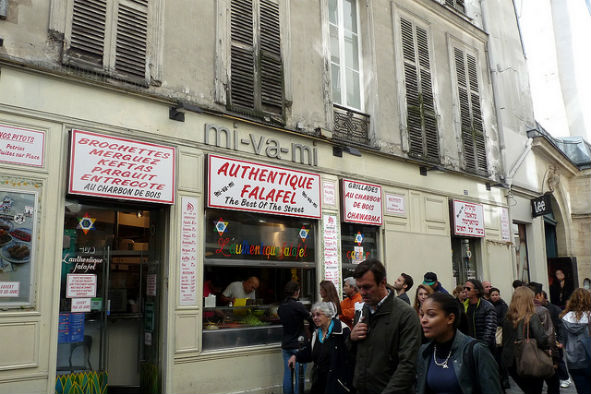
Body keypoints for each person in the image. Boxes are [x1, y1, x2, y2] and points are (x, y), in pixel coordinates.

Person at [348, 259, 421, 394]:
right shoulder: (363, 310)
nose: (362, 293)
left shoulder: (406, 315)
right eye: (359, 287)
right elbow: (355, 356)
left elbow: (408, 366)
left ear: (382, 282)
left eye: (367, 287)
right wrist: (351, 338)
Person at [416, 292, 502, 394]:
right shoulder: (425, 351)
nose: (423, 320)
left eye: (431, 314)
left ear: (450, 318)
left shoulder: (476, 350)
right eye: (422, 314)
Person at [288, 302, 354, 394]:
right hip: (320, 381)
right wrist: (296, 356)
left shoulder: (342, 331)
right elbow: (310, 352)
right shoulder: (316, 332)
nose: (315, 318)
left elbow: (351, 357)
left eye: (318, 315)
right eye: (313, 315)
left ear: (327, 315)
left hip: (337, 383)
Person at [502, 286, 552, 394]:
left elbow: (505, 341)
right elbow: (542, 339)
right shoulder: (531, 317)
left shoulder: (507, 318)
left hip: (511, 361)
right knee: (535, 390)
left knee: (527, 389)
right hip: (529, 358)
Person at [278, 281, 314, 394]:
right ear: (296, 292)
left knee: (288, 374)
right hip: (299, 344)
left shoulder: (281, 307)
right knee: (300, 375)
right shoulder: (298, 305)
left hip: (286, 344)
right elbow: (311, 319)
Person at [529, 282, 560, 394]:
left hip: (529, 354)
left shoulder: (521, 310)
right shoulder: (542, 310)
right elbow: (549, 335)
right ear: (539, 295)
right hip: (544, 354)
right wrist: (555, 358)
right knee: (553, 384)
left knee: (535, 387)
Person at [559, 288, 591, 394]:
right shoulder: (589, 317)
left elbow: (563, 341)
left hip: (573, 361)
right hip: (588, 358)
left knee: (582, 390)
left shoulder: (565, 318)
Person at [542, 290, 571, 389]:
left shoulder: (554, 309)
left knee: (558, 359)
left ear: (545, 298)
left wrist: (562, 341)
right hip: (546, 339)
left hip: (556, 339)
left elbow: (561, 326)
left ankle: (565, 378)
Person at [463, 279, 497, 350]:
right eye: (464, 288)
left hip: (484, 348)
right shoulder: (464, 306)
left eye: (468, 288)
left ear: (477, 291)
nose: (465, 290)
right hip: (468, 346)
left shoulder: (487, 307)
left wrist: (482, 346)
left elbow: (490, 329)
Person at [489, 287, 510, 389]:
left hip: (500, 334)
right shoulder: (487, 304)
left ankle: (505, 379)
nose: (495, 297)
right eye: (493, 295)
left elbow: (505, 319)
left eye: (496, 294)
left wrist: (495, 322)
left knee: (501, 358)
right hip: (492, 334)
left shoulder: (503, 305)